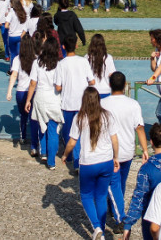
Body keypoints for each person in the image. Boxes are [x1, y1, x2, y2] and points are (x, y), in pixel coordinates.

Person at [62, 86, 120, 240]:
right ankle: (100, 227)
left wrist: (65, 154)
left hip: (88, 162)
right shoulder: (108, 116)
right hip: (106, 160)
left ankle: (96, 227)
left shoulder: (79, 118)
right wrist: (116, 157)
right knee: (101, 196)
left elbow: (72, 142)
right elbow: (115, 139)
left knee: (87, 195)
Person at [102, 72, 148, 230]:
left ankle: (118, 216)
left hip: (109, 151)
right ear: (124, 85)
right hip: (127, 150)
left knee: (114, 183)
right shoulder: (133, 104)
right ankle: (116, 210)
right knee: (119, 183)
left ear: (110, 84)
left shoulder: (103, 104)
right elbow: (140, 128)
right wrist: (144, 149)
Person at [121, 123, 161, 240]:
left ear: (151, 142)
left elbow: (139, 197)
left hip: (153, 220)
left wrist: (128, 224)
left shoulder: (147, 168)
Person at [56, 35, 96, 168]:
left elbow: (58, 86)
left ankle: (71, 157)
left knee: (69, 132)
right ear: (77, 46)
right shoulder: (83, 61)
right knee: (82, 131)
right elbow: (92, 80)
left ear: (63, 47)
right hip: (82, 103)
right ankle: (78, 159)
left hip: (67, 103)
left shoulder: (61, 64)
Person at [25, 37, 64, 169]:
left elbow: (32, 83)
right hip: (54, 98)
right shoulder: (59, 64)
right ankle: (51, 161)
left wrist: (28, 100)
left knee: (42, 125)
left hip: (40, 96)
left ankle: (43, 152)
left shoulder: (37, 62)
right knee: (53, 130)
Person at [7, 35, 39, 154]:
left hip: (20, 91)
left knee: (23, 115)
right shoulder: (36, 59)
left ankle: (23, 136)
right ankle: (34, 145)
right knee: (34, 117)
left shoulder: (17, 59)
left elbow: (14, 75)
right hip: (34, 91)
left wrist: (9, 90)